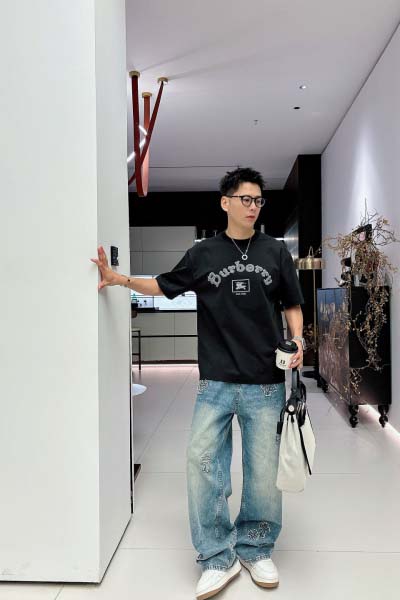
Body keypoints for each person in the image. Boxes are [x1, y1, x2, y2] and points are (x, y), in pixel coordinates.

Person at [91, 167, 305, 599]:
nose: (253, 207)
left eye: (258, 200)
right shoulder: (203, 253)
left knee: (263, 472)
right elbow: (163, 285)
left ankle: (256, 546)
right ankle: (216, 556)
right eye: (245, 199)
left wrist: (298, 339)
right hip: (215, 382)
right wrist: (120, 281)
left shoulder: (275, 252)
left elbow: (292, 303)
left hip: (266, 381)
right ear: (225, 202)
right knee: (201, 463)